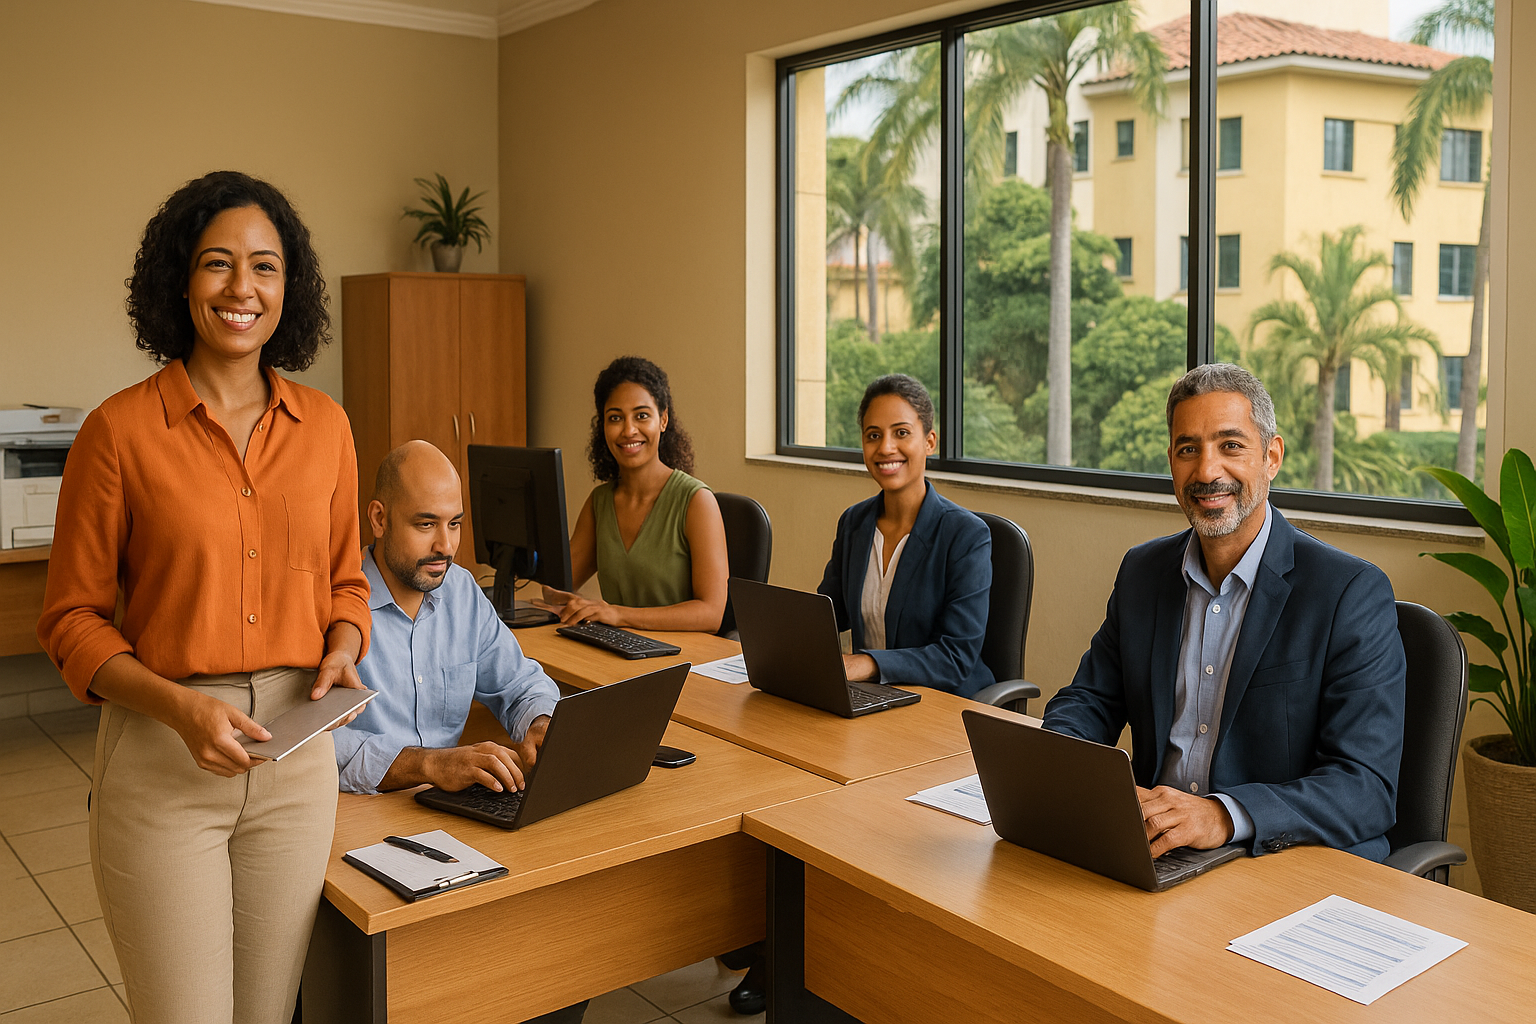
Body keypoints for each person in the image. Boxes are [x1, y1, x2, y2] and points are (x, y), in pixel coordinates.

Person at [37, 171, 371, 1024]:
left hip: (298, 762)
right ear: (180, 281)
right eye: (218, 264)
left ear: (286, 290)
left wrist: (344, 639)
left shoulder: (328, 427)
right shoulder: (118, 432)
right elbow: (70, 620)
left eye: (264, 267)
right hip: (162, 759)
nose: (241, 288)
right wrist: (181, 710)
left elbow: (345, 579)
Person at [1042, 363, 1406, 862]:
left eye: (1230, 446)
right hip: (1160, 851)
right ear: (1171, 460)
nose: (1207, 471)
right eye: (1188, 449)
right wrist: (1066, 772)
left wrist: (1222, 814)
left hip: (1276, 860)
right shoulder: (1143, 572)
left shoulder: (1349, 593)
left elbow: (1364, 788)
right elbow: (1089, 701)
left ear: (1271, 456)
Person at [332, 440, 559, 796]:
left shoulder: (462, 592)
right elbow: (319, 747)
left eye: (454, 524)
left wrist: (539, 722)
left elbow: (519, 683)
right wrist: (428, 764)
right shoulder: (333, 606)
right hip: (359, 809)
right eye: (426, 524)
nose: (446, 546)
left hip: (446, 808)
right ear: (379, 519)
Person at [816, 374, 994, 697]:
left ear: (929, 441)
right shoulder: (854, 523)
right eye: (873, 435)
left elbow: (954, 658)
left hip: (943, 706)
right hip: (871, 700)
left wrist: (866, 664)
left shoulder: (966, 536)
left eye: (901, 433)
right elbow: (827, 614)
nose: (885, 448)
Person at [539, 355, 729, 632]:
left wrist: (617, 614)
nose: (628, 430)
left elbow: (711, 614)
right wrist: (572, 602)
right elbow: (554, 585)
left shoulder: (697, 501)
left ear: (663, 420)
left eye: (642, 416)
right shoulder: (600, 502)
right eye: (615, 418)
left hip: (682, 658)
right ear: (602, 426)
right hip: (621, 653)